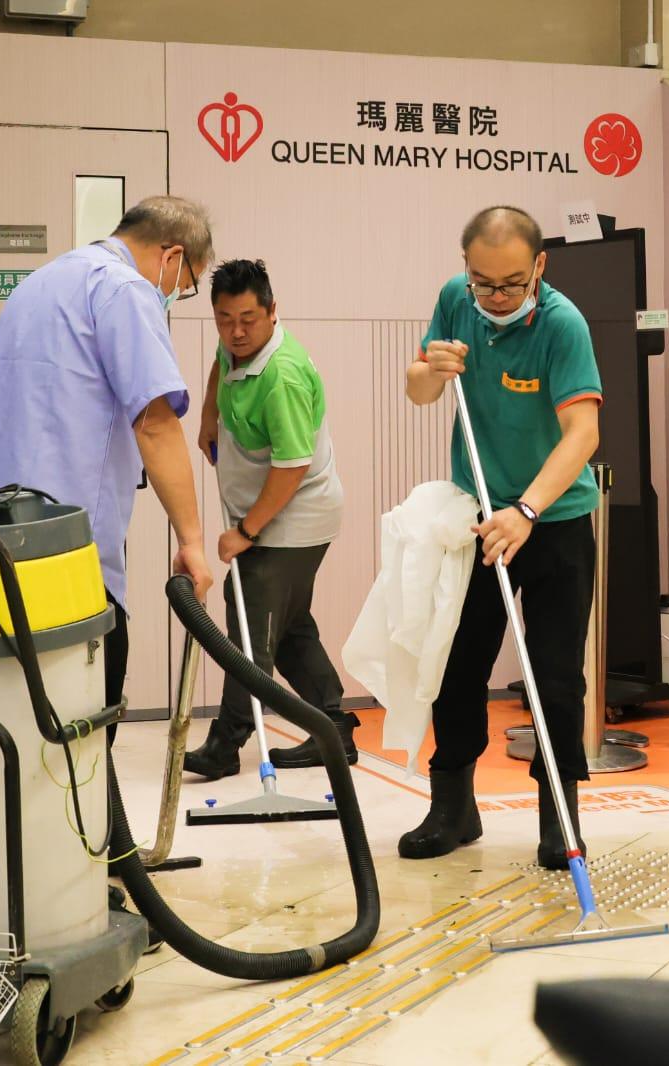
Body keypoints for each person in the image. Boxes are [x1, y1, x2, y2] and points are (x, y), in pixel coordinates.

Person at [0, 195, 217, 943]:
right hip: (64, 550)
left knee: (20, 723)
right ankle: (75, 895)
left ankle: (24, 883)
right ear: (172, 258)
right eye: (187, 283)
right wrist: (193, 537)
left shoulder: (42, 283)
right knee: (82, 718)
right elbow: (155, 419)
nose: (177, 294)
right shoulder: (128, 291)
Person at [398, 206, 603, 870]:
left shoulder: (563, 326)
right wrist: (434, 367)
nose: (496, 297)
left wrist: (529, 510)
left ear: (539, 267)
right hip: (478, 515)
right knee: (456, 666)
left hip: (552, 521)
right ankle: (453, 808)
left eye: (512, 284)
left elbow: (582, 434)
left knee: (553, 675)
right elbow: (418, 392)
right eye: (483, 283)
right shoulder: (456, 302)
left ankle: (559, 813)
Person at [182, 259, 357, 778]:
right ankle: (334, 728)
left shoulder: (282, 375)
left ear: (273, 312)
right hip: (269, 518)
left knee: (250, 635)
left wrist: (245, 531)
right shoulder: (235, 343)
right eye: (224, 319)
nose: (236, 332)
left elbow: (292, 466)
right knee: (291, 627)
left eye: (249, 320)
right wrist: (210, 411)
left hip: (292, 521)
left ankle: (224, 746)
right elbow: (220, 360)